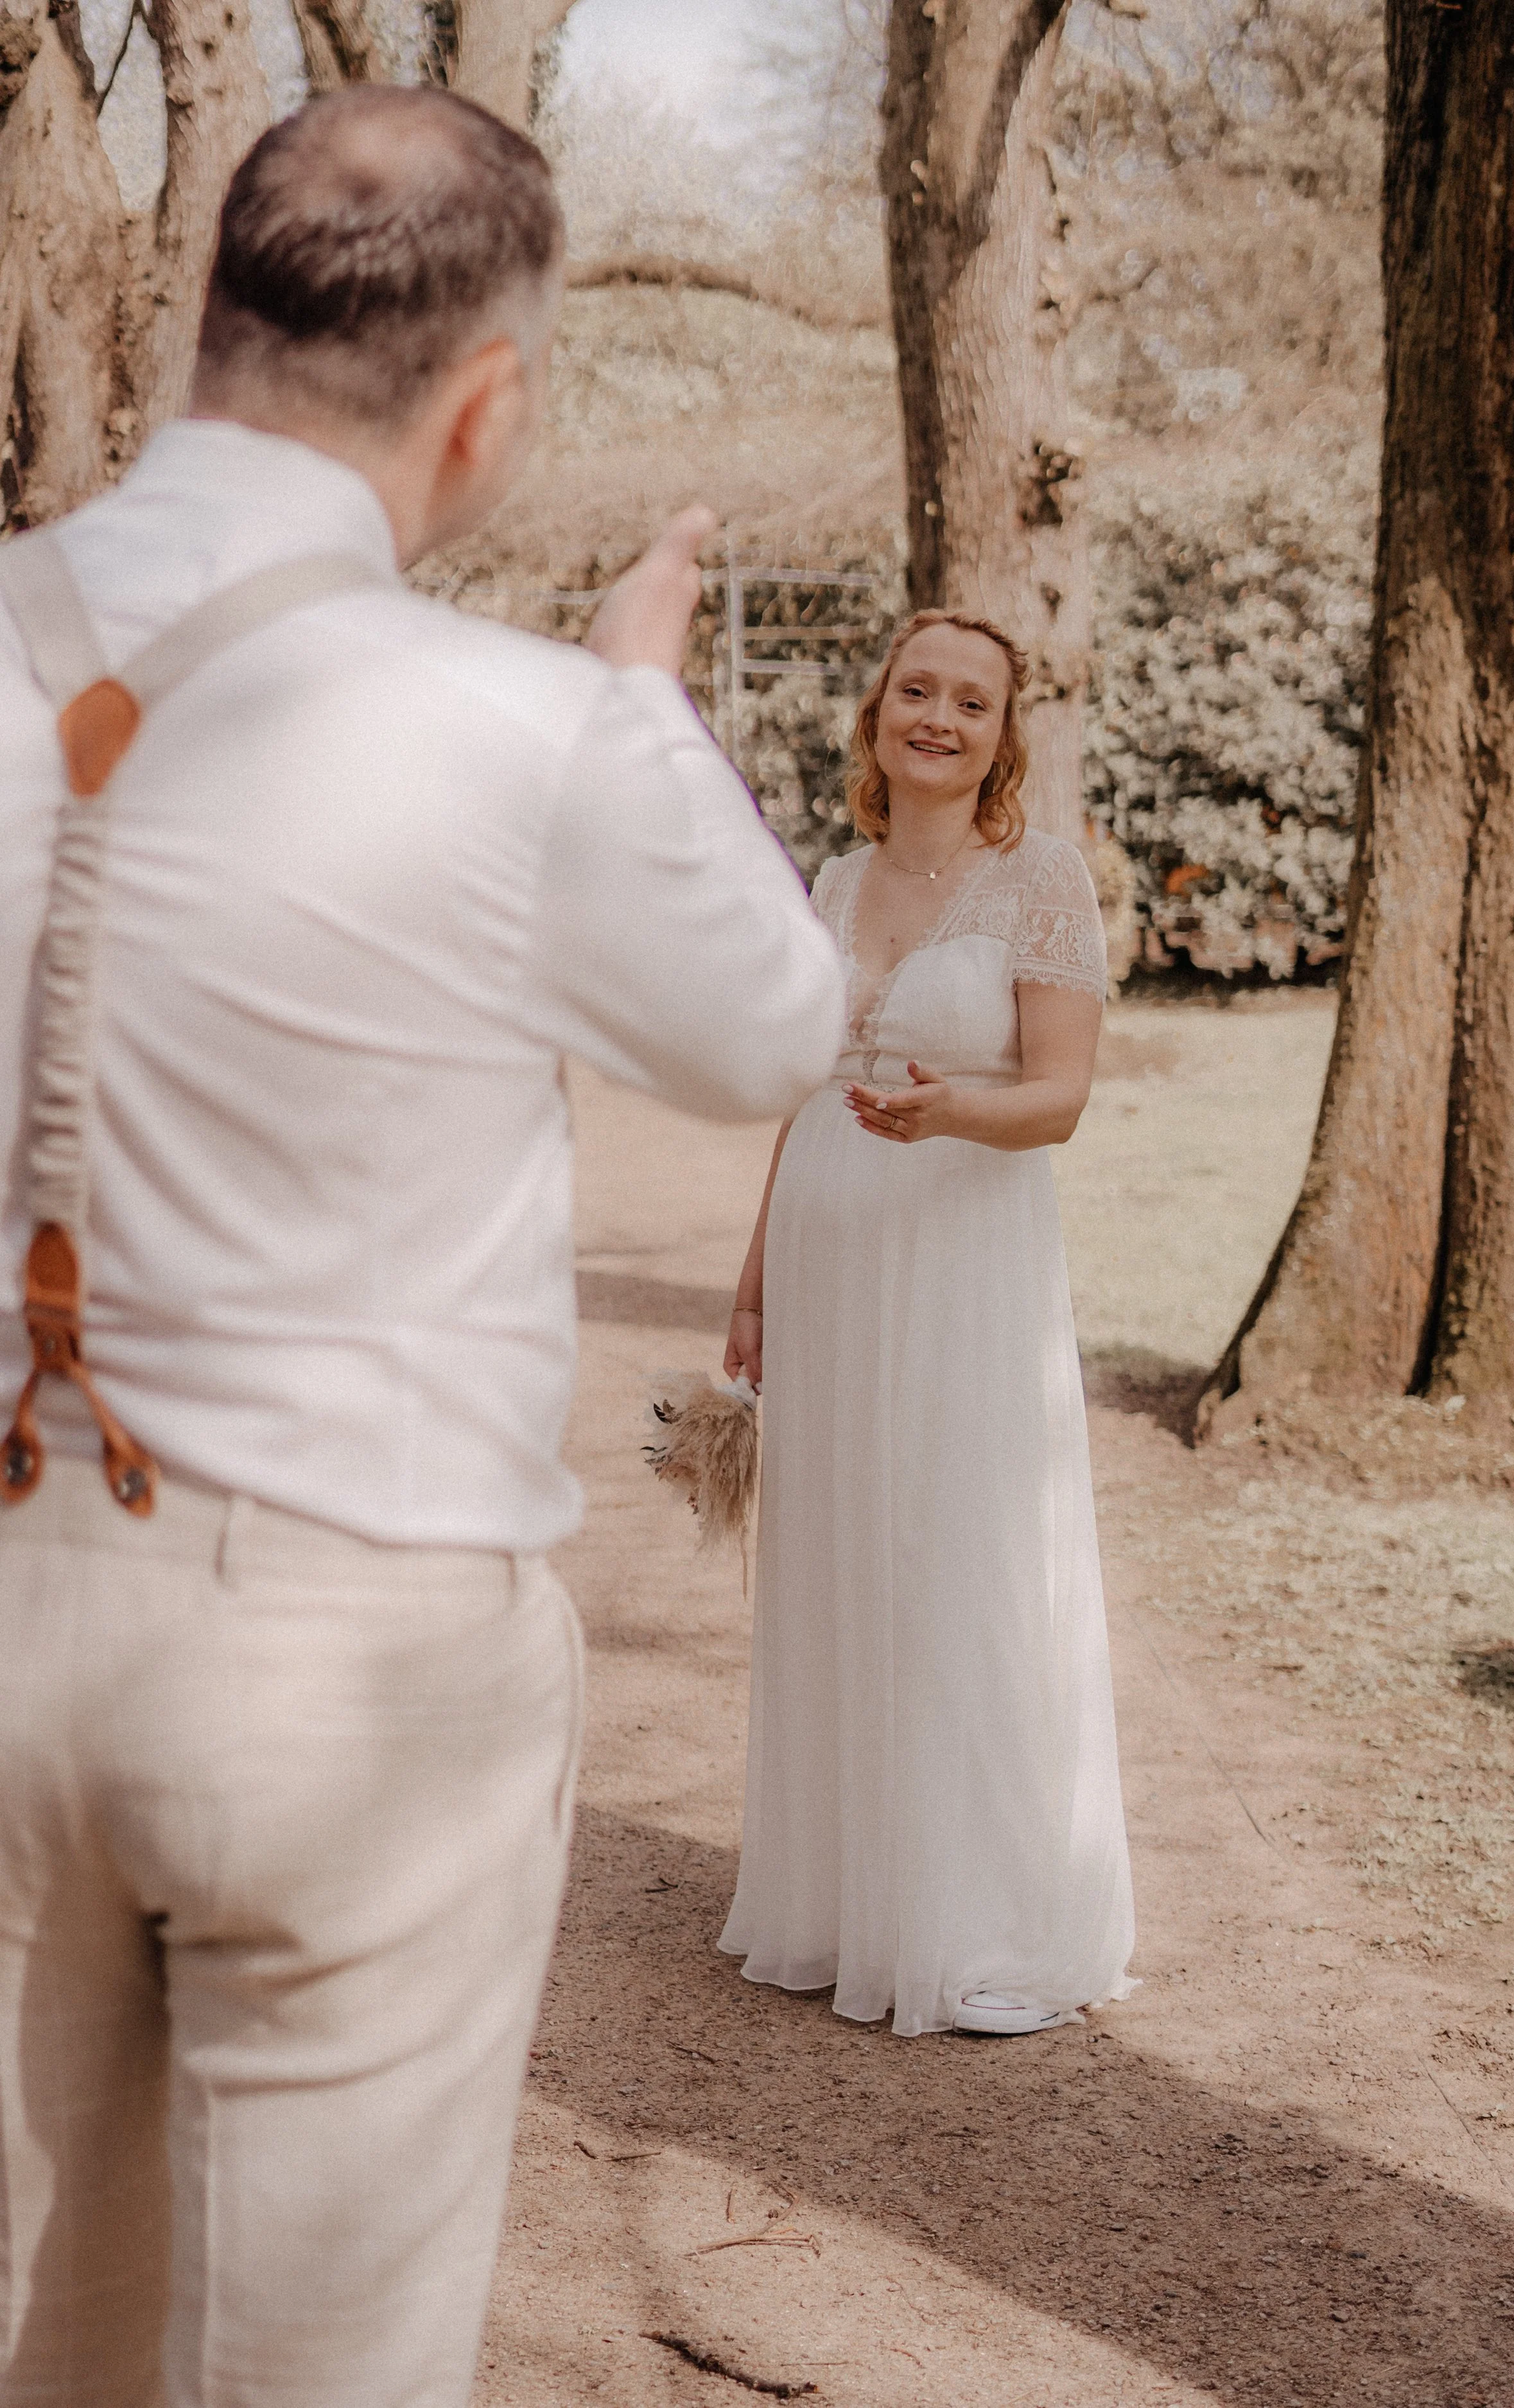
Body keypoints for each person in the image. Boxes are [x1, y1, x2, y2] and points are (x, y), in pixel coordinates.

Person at [0, 87, 844, 2408]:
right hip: (349, 1657)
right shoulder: (529, 732)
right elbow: (775, 1026)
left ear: (206, 324)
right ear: (489, 407)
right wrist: (645, 697)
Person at [719, 609, 1135, 2039]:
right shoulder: (832, 878)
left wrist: (952, 1108)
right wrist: (757, 1276)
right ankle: (846, 1900)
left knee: (954, 1554)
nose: (938, 718)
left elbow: (1061, 1099)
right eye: (917, 691)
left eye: (970, 700)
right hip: (831, 1254)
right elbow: (801, 1089)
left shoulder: (1040, 881)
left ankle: (969, 1910)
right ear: (878, 710)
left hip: (964, 1259)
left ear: (1000, 733)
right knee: (839, 1550)